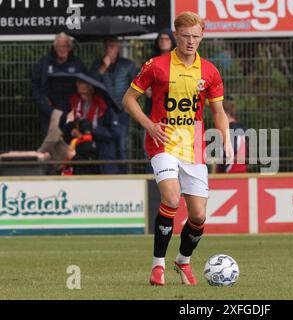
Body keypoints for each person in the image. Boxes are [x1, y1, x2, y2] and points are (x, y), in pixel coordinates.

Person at [122, 11, 233, 286]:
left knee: (198, 215)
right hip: (162, 142)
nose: (191, 41)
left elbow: (218, 111)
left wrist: (226, 138)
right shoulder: (156, 66)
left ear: (202, 36)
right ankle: (157, 266)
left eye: (196, 36)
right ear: (176, 36)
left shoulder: (210, 71)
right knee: (171, 198)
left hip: (193, 144)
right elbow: (129, 99)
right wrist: (148, 124)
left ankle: (183, 261)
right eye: (185, 36)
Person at [90, 38, 138, 174]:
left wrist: (129, 103)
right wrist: (103, 67)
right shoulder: (97, 64)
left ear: (118, 47)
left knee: (122, 143)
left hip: (122, 111)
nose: (110, 48)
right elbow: (90, 84)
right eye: (108, 45)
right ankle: (106, 173)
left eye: (113, 45)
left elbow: (136, 85)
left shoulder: (127, 65)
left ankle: (124, 175)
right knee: (105, 144)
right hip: (103, 111)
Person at [31, 32, 86, 137]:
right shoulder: (44, 62)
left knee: (69, 148)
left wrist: (76, 108)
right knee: (50, 147)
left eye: (65, 46)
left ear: (69, 48)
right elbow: (35, 84)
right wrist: (43, 102)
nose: (62, 49)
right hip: (49, 114)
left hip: (70, 114)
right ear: (54, 47)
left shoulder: (77, 63)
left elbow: (85, 86)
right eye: (59, 46)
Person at [63, 79, 121, 174]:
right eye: (81, 94)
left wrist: (91, 132)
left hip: (102, 153)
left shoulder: (105, 107)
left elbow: (115, 133)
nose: (83, 96)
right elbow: (66, 131)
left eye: (86, 93)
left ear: (92, 89)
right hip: (82, 155)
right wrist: (72, 128)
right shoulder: (76, 104)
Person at [143, 29, 177, 173]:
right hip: (153, 112)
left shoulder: (178, 61)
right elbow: (140, 84)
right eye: (161, 38)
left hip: (174, 112)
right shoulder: (151, 62)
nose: (163, 41)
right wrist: (146, 89)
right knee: (153, 143)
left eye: (166, 39)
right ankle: (153, 173)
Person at [213, 100, 247, 173]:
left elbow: (230, 150)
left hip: (229, 172)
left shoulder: (229, 130)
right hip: (242, 171)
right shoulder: (242, 128)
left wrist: (221, 168)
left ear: (226, 114)